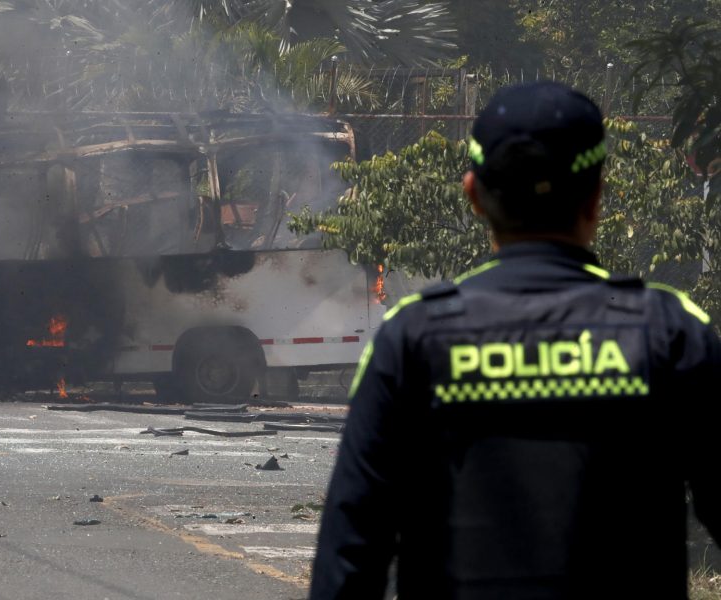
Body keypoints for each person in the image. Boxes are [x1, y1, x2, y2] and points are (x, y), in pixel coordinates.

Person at [309, 81, 721, 599]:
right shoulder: (671, 331)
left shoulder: (412, 338)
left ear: (474, 196)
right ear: (596, 196)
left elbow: (351, 552)